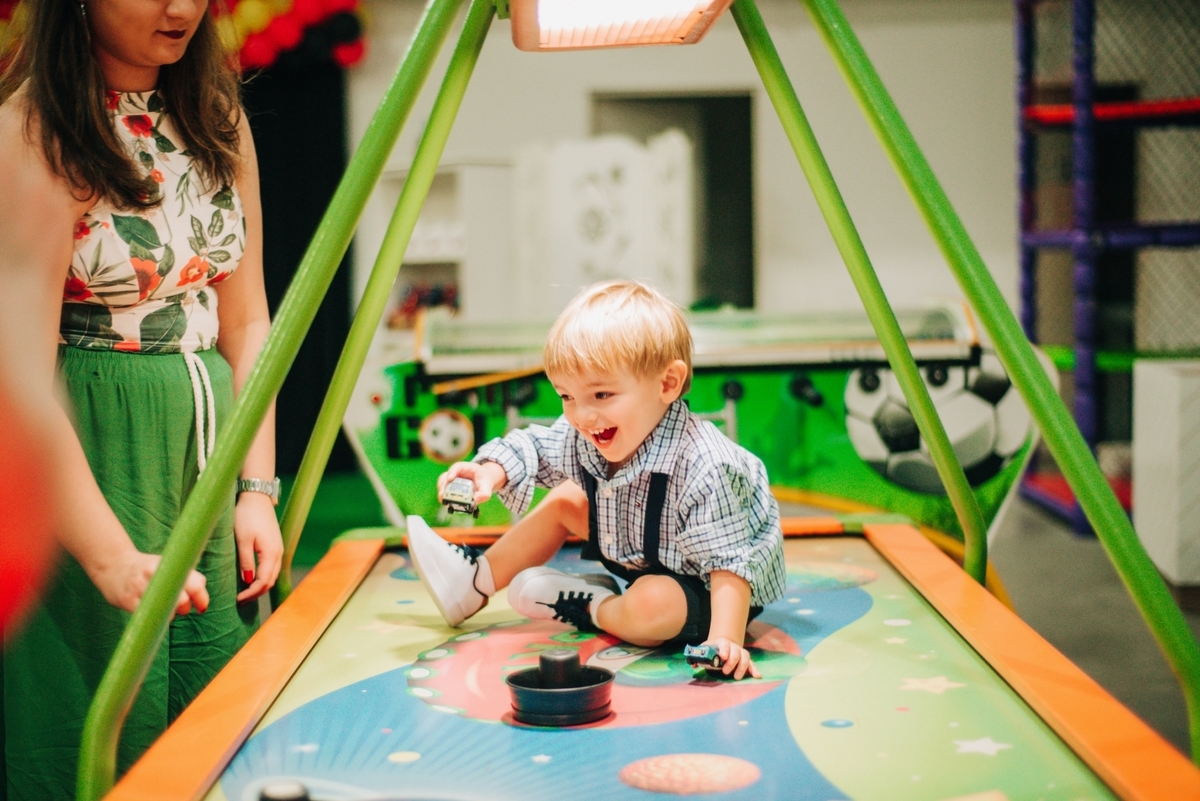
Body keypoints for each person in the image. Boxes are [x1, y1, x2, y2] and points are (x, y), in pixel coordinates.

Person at [0, 0, 283, 793]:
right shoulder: (32, 132)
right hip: (87, 447)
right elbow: (18, 373)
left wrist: (257, 486)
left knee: (220, 720)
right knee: (99, 722)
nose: (180, 6)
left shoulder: (216, 112)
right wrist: (110, 556)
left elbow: (248, 315)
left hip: (210, 441)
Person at [407, 280, 786, 680]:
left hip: (709, 589)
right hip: (645, 551)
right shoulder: (589, 432)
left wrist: (724, 640)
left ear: (668, 384)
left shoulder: (706, 466)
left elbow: (729, 566)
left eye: (601, 395)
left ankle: (592, 604)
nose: (582, 416)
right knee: (567, 499)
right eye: (566, 396)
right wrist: (488, 472)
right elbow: (534, 447)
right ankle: (474, 583)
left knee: (651, 606)